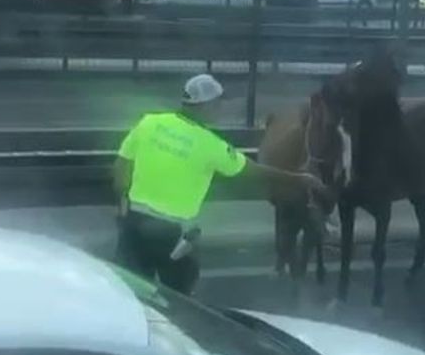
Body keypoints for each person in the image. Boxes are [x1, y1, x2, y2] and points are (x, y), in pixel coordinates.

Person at [113, 74, 325, 295]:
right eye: (218, 103)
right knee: (179, 302)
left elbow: (121, 165)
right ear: (207, 105)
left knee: (131, 293)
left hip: (134, 223)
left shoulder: (149, 123)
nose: (221, 109)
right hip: (174, 234)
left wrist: (122, 204)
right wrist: (300, 179)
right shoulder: (211, 146)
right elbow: (254, 171)